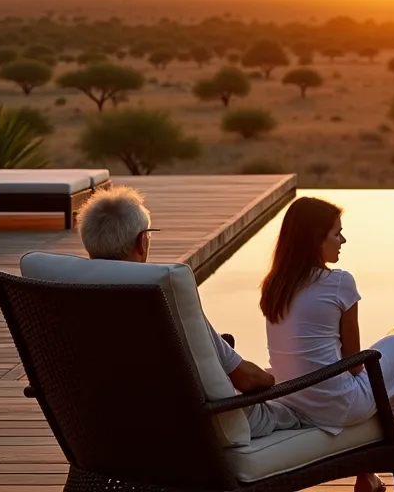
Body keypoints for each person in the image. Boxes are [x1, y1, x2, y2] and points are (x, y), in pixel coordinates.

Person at [261, 197, 394, 492]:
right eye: (337, 233)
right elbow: (353, 362)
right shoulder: (339, 282)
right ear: (317, 239)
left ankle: (366, 477)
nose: (343, 240)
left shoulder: (274, 285)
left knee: (389, 378)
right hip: (335, 405)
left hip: (292, 397)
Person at [77, 186, 302, 438]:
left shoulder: (65, 295)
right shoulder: (162, 296)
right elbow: (247, 379)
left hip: (111, 434)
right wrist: (276, 380)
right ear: (142, 241)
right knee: (307, 408)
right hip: (196, 434)